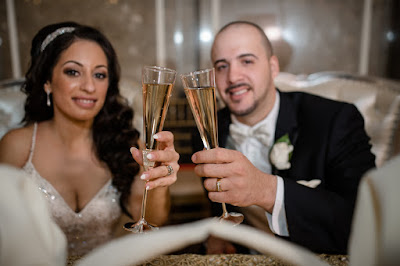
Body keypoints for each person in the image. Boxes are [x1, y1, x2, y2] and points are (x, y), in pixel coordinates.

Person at [191, 21, 376, 254]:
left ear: (273, 66)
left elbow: (367, 222)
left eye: (246, 61)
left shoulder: (336, 121)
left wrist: (266, 189)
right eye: (221, 66)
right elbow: (219, 210)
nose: (232, 76)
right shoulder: (207, 131)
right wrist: (220, 237)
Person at [0, 22, 179, 256]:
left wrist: (158, 181)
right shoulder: (17, 146)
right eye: (73, 72)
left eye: (99, 74)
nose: (89, 86)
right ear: (47, 81)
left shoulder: (127, 145)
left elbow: (152, 220)